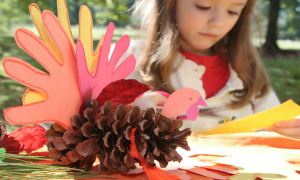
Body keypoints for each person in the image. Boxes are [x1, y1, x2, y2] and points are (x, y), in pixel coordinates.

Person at [124, 0, 294, 134]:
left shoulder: (247, 70)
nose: (218, 23)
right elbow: (100, 122)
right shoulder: (129, 59)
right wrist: (130, 110)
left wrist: (291, 129)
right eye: (203, 6)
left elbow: (276, 126)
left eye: (233, 11)